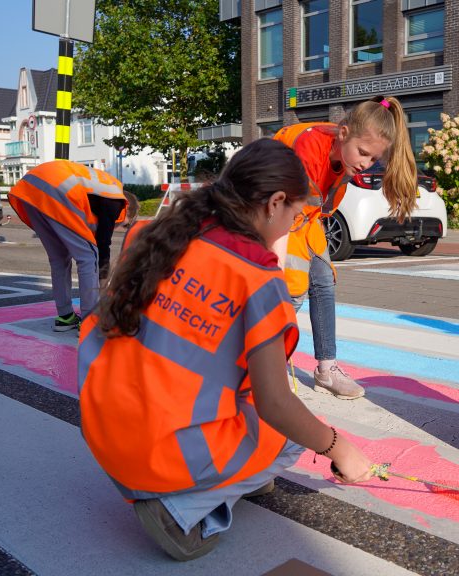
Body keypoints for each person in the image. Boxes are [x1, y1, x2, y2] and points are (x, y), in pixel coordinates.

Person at [77, 139, 374, 562]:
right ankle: (183, 508)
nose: (295, 224)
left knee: (240, 390)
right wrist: (340, 449)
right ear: (274, 203)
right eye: (297, 213)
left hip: (102, 424)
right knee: (291, 436)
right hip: (157, 454)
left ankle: (223, 475)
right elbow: (275, 404)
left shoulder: (154, 235)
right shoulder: (257, 279)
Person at [273, 95, 418, 399]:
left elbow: (313, 210)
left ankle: (326, 369)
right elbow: (286, 212)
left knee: (324, 282)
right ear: (342, 135)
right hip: (273, 214)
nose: (365, 164)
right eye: (363, 154)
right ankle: (270, 366)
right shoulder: (308, 150)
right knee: (292, 288)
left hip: (302, 218)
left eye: (373, 160)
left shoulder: (345, 148)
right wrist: (276, 269)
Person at [8, 161, 127, 331]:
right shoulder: (116, 199)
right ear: (128, 209)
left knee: (59, 258)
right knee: (88, 256)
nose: (119, 225)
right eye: (125, 224)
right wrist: (102, 280)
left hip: (31, 189)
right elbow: (102, 245)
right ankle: (89, 321)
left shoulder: (102, 191)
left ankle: (65, 316)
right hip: (56, 188)